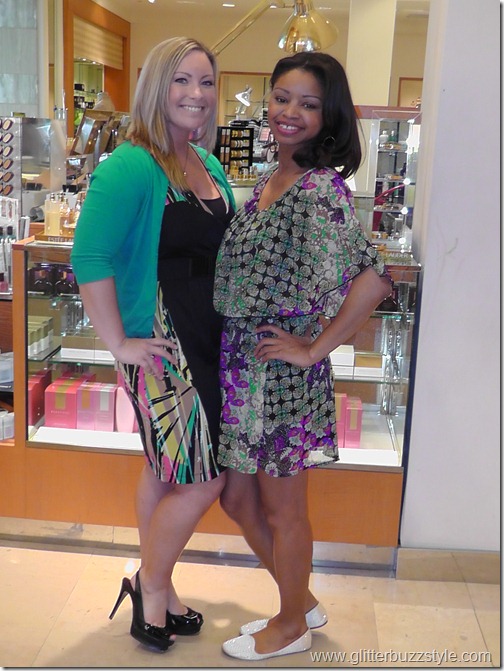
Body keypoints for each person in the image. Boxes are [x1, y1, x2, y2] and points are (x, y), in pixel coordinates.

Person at [214, 51, 392, 661]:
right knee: (238, 499)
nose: (289, 112)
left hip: (281, 372)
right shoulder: (275, 177)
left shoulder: (319, 190)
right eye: (281, 97)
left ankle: (291, 624)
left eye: (308, 104)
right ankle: (302, 600)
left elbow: (373, 279)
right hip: (244, 367)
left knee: (282, 508)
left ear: (327, 116)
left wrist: (313, 347)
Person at [71, 37, 235, 652]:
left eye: (206, 82)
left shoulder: (206, 162)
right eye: (181, 81)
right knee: (203, 479)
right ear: (156, 88)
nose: (197, 94)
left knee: (164, 470)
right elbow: (90, 256)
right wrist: (118, 343)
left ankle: (157, 588)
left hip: (208, 341)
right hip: (164, 346)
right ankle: (151, 583)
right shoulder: (132, 164)